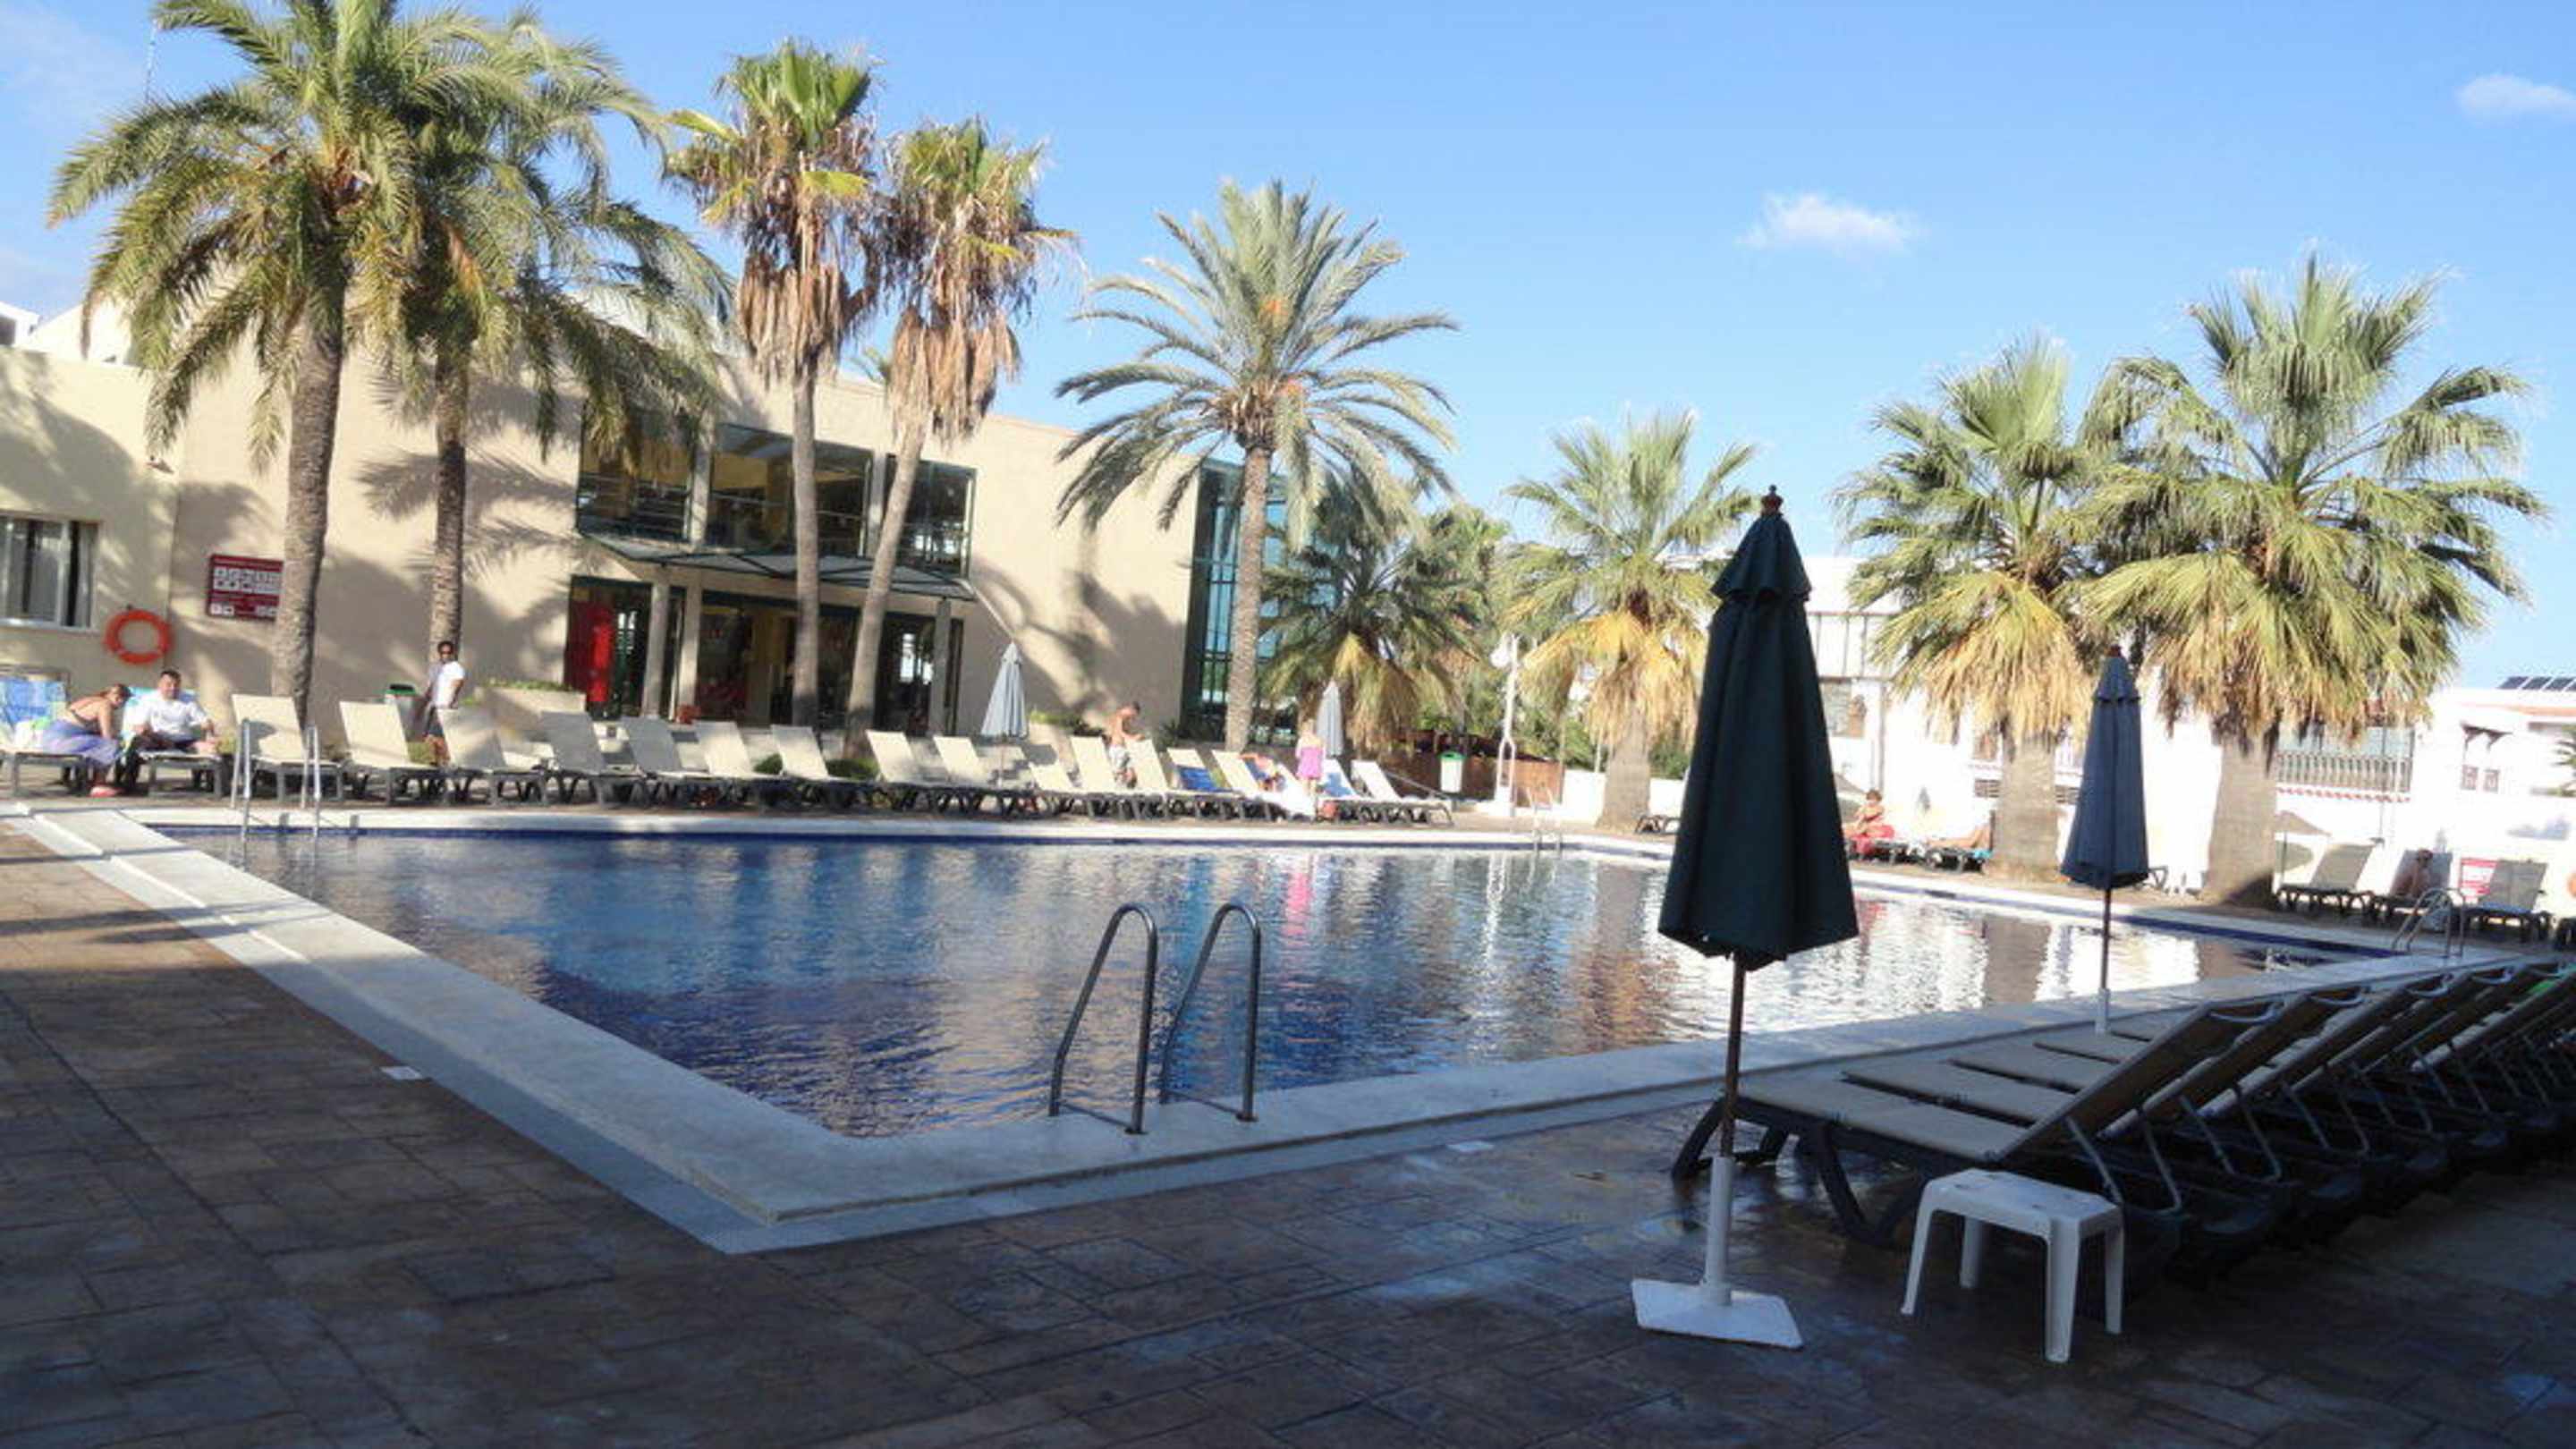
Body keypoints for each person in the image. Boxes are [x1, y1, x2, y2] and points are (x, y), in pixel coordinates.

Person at [42, 684, 129, 797]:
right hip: (61, 743)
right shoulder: (105, 705)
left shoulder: (91, 701)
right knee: (111, 745)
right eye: (125, 701)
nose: (123, 705)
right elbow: (107, 735)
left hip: (49, 741)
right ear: (119, 698)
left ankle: (86, 780)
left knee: (97, 743)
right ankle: (99, 784)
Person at [413, 640, 467, 765]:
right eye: (443, 652)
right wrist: (422, 707)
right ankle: (437, 762)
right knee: (431, 737)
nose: (445, 655)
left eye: (448, 653)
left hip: (445, 707)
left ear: (452, 653)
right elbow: (431, 688)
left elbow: (457, 685)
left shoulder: (456, 668)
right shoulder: (435, 668)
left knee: (435, 737)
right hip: (434, 706)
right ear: (439, 653)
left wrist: (450, 702)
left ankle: (446, 761)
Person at [1105, 700, 1143, 786]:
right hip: (1118, 748)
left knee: (1131, 767)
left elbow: (1124, 733)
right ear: (1132, 710)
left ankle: (1129, 784)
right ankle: (1117, 787)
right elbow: (1120, 732)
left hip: (1124, 748)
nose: (1133, 718)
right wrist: (1132, 738)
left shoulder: (1125, 718)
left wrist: (1135, 737)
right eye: (1134, 715)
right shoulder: (1121, 716)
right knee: (1118, 772)